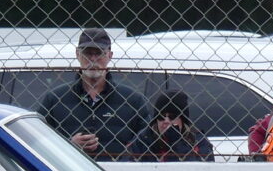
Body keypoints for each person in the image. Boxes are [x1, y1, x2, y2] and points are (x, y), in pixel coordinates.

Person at [37, 27, 148, 160]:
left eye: (99, 53)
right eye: (87, 53)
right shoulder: (54, 99)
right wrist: (68, 145)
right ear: (77, 54)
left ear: (110, 55)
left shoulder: (133, 100)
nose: (93, 59)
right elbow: (37, 141)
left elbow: (146, 143)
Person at [128, 90, 214, 161]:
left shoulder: (198, 141)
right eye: (161, 116)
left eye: (172, 117)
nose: (166, 121)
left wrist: (176, 145)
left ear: (182, 120)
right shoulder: (142, 139)